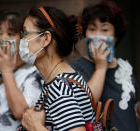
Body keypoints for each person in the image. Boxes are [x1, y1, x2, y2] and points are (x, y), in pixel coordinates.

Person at [16, 6, 111, 131]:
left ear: (45, 38)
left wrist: (35, 127)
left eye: (25, 33)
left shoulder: (59, 87)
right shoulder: (64, 80)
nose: (20, 39)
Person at [70, 1, 139, 131]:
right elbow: (83, 107)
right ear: (85, 34)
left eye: (105, 29)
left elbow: (128, 107)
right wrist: (100, 67)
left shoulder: (124, 68)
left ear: (116, 36)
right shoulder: (75, 68)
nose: (98, 36)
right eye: (92, 29)